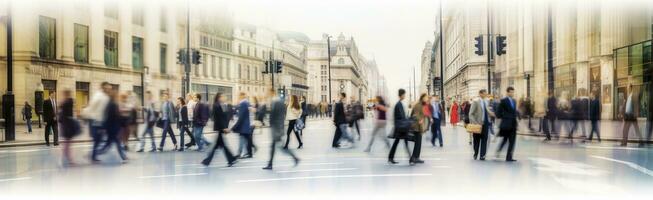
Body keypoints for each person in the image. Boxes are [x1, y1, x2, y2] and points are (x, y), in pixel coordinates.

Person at [263, 88, 300, 170]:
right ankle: (270, 164)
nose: (267, 94)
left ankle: (295, 158)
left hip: (277, 129)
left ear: (272, 92)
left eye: (268, 92)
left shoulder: (277, 102)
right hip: (276, 128)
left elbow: (279, 117)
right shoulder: (276, 101)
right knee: (274, 146)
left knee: (280, 148)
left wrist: (278, 129)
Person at [202, 93, 237, 167]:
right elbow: (219, 118)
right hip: (220, 127)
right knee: (221, 145)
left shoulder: (221, 104)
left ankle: (208, 160)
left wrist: (225, 126)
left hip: (221, 127)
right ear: (219, 97)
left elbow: (224, 117)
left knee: (219, 145)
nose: (225, 97)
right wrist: (224, 127)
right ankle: (231, 159)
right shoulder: (216, 105)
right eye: (223, 96)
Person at [82, 82, 111, 162]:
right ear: (103, 87)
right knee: (97, 139)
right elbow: (91, 106)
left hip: (101, 121)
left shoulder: (106, 97)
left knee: (99, 139)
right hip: (95, 120)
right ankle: (93, 155)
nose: (108, 89)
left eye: (109, 88)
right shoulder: (98, 95)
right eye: (107, 88)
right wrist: (86, 116)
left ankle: (93, 155)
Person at [97, 87, 128, 163]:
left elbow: (108, 117)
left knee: (110, 144)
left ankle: (96, 153)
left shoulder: (110, 104)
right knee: (114, 143)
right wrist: (123, 120)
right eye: (116, 95)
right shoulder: (113, 105)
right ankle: (95, 153)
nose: (117, 96)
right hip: (113, 128)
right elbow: (115, 117)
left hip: (111, 128)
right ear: (114, 96)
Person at [388, 89, 415, 165]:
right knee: (404, 143)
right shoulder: (398, 105)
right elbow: (400, 117)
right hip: (401, 128)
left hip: (400, 127)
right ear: (401, 95)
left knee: (397, 143)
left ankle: (390, 158)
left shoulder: (399, 104)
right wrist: (408, 120)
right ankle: (411, 159)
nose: (405, 96)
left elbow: (401, 117)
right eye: (404, 94)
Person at [496, 87, 518, 162]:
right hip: (506, 124)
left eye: (513, 92)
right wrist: (505, 117)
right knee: (505, 140)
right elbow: (498, 113)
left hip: (513, 124)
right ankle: (499, 150)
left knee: (512, 141)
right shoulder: (503, 101)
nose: (512, 93)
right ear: (507, 92)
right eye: (511, 92)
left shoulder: (514, 101)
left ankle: (509, 157)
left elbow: (514, 111)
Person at [469, 89, 491, 160]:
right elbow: (471, 114)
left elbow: (488, 111)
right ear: (480, 94)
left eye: (486, 93)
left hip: (486, 123)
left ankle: (482, 155)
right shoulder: (475, 102)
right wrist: (475, 123)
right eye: (484, 93)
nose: (486, 95)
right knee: (476, 140)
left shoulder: (487, 101)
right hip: (478, 124)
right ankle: (476, 153)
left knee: (485, 139)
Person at [59, 89, 79, 165]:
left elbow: (62, 116)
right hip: (67, 126)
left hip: (67, 126)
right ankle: (69, 159)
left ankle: (67, 158)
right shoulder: (67, 102)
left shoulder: (67, 102)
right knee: (67, 144)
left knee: (67, 143)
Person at [409, 93, 429, 164]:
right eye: (426, 97)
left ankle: (415, 157)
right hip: (416, 127)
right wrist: (420, 120)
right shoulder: (418, 105)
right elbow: (416, 115)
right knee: (417, 143)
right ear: (423, 98)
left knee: (418, 143)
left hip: (418, 127)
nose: (427, 99)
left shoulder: (421, 105)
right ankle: (414, 158)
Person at [233, 92, 254, 158]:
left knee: (244, 139)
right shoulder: (246, 103)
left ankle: (246, 153)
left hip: (243, 126)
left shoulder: (243, 103)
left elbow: (241, 116)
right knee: (245, 139)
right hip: (246, 125)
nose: (238, 96)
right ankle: (246, 153)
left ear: (241, 96)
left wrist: (235, 126)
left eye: (239, 95)